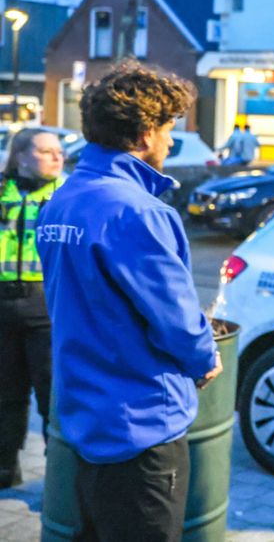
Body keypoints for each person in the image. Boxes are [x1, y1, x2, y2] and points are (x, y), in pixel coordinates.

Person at [36, 60, 223, 542]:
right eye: (167, 129)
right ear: (142, 135)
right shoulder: (138, 211)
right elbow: (178, 320)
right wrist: (205, 358)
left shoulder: (61, 202)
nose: (170, 142)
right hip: (142, 428)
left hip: (85, 420)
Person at [0, 128, 65, 489]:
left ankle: (58, 479)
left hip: (45, 308)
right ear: (22, 155)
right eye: (46, 151)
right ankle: (5, 471)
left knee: (51, 395)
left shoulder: (65, 194)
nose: (58, 157)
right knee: (5, 394)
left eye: (59, 151)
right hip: (3, 306)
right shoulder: (1, 190)